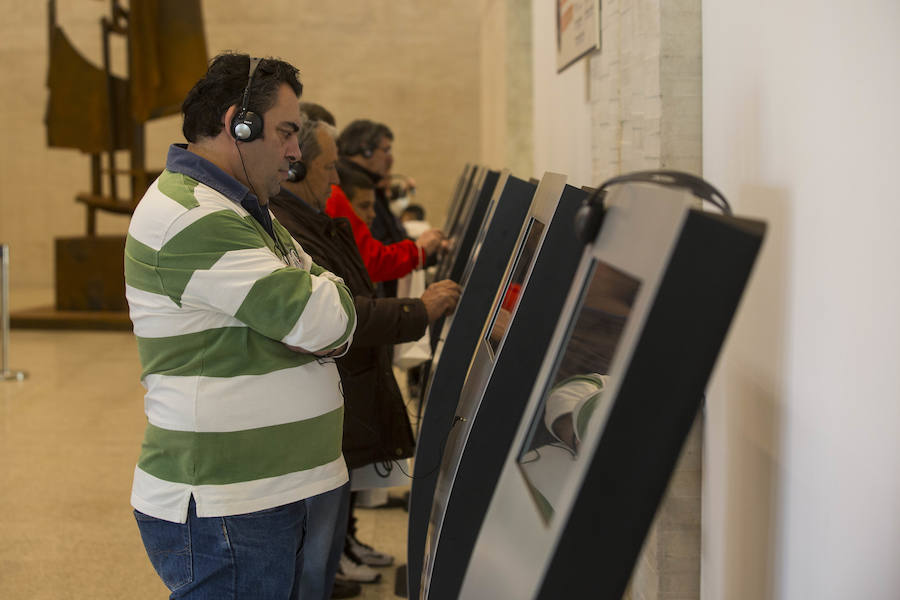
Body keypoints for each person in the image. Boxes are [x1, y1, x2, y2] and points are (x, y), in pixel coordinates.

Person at [125, 53, 357, 599]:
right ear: (238, 124)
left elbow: (329, 288)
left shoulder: (239, 207)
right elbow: (322, 318)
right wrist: (325, 299)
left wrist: (325, 296)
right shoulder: (196, 218)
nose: (296, 152)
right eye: (285, 132)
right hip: (226, 505)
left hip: (255, 494)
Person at [270, 117, 461, 598]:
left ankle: (340, 556)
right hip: (327, 392)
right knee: (315, 546)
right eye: (327, 168)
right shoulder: (294, 222)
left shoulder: (311, 216)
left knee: (329, 527)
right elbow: (339, 309)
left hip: (339, 391)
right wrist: (417, 306)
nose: (334, 181)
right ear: (295, 168)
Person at [331, 119, 444, 295]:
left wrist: (424, 252)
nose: (391, 159)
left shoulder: (369, 183)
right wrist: (419, 252)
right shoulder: (347, 186)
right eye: (386, 150)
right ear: (366, 150)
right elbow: (371, 257)